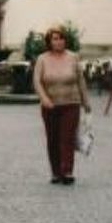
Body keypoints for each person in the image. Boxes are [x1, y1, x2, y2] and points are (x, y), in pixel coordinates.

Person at [31, 27, 90, 186]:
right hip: (50, 105)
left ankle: (67, 171)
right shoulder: (42, 59)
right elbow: (37, 81)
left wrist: (86, 102)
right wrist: (44, 99)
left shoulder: (73, 57)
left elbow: (81, 80)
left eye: (61, 38)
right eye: (55, 39)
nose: (59, 42)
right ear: (49, 42)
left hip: (71, 102)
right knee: (53, 138)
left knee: (67, 138)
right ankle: (55, 172)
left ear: (65, 40)